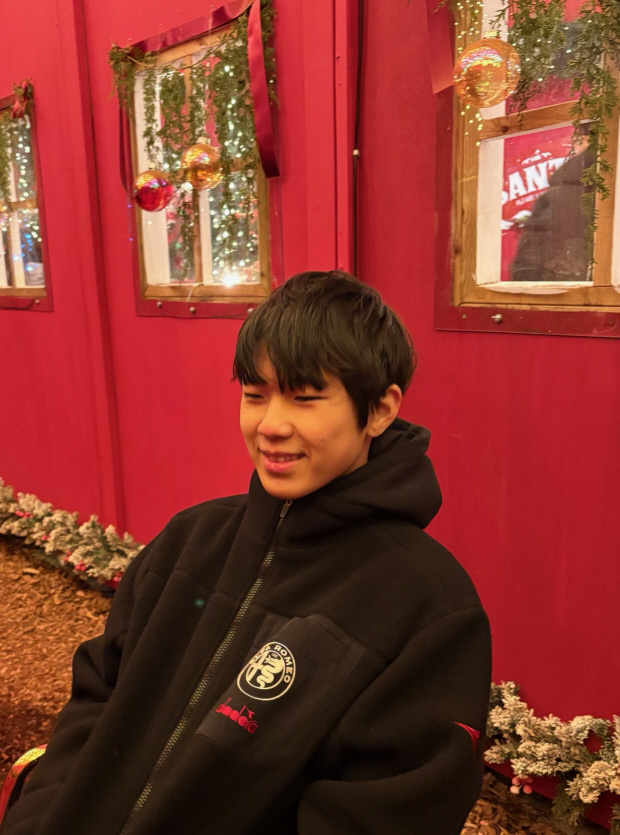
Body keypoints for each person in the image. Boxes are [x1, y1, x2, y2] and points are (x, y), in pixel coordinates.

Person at [2, 271, 491, 835]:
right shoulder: (191, 540)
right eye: (255, 395)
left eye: (305, 398)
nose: (271, 425)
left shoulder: (428, 607)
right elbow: (95, 701)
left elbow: (386, 811)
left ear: (380, 410)